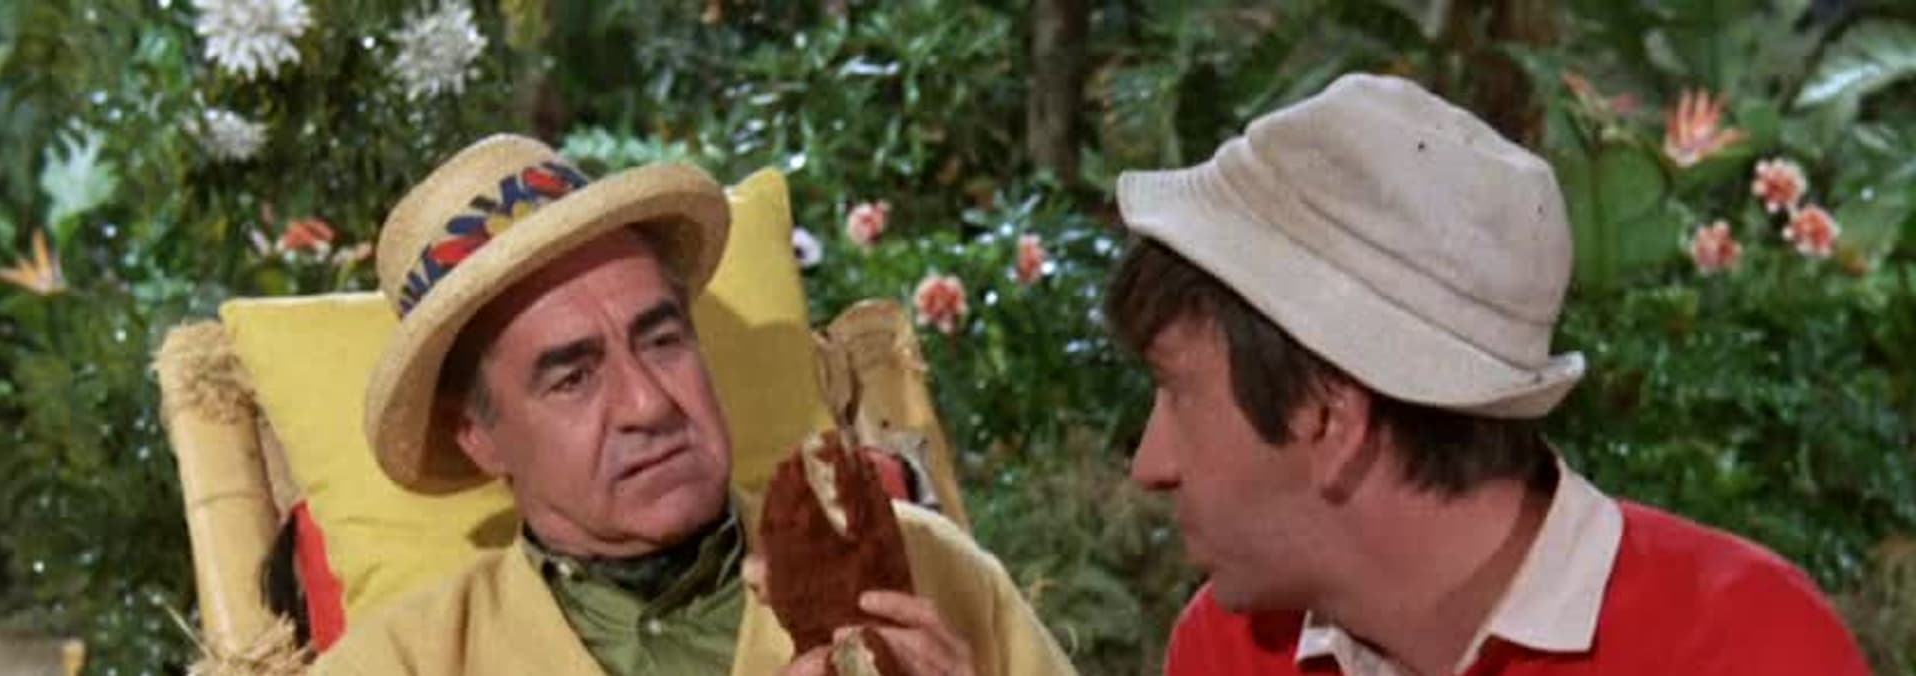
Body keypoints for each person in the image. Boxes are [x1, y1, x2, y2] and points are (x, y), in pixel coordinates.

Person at [1104, 74, 1870, 675]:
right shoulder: (1234, 649)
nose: (1150, 465)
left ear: (1330, 416)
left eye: (1178, 392)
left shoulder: (1746, 650)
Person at [313, 134, 1075, 676]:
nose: (649, 403)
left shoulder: (929, 570)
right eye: (572, 377)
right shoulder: (398, 663)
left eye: (663, 340)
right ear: (478, 435)